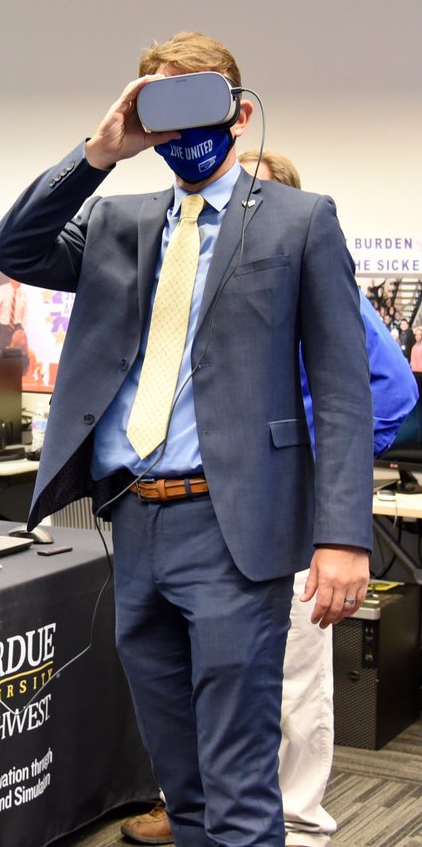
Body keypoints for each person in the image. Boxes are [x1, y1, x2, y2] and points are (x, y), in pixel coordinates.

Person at [0, 32, 372, 847]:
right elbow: (13, 249)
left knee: (237, 785)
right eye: (164, 102)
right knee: (180, 780)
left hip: (233, 528)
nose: (183, 124)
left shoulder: (300, 221)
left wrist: (343, 536)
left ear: (238, 114)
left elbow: (342, 391)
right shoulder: (116, 222)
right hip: (134, 522)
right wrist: (100, 153)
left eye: (198, 100)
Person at [118, 150, 417, 847]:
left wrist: (304, 468)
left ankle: (297, 821)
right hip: (189, 511)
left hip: (275, 514)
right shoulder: (198, 281)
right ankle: (198, 810)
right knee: (199, 689)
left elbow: (390, 395)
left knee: (291, 684)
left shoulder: (307, 267)